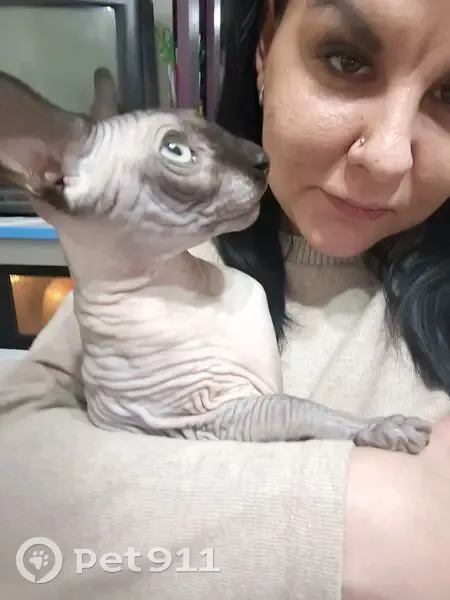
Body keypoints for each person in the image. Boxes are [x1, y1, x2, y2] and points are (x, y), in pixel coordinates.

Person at [1, 0, 450, 598]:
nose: (388, 156)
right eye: (347, 60)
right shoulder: (144, 264)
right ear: (265, 47)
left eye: (449, 96)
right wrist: (363, 519)